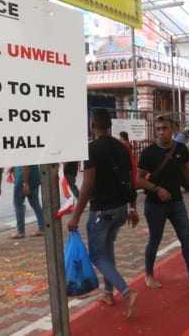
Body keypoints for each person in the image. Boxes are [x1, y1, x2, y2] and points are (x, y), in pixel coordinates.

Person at [67, 108, 140, 317]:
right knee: (107, 251)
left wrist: (76, 215)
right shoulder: (122, 147)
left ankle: (126, 292)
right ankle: (108, 293)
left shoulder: (91, 148)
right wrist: (132, 208)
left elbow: (88, 184)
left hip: (101, 211)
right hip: (120, 209)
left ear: (92, 125)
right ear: (110, 125)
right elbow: (130, 180)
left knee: (97, 255)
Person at [137, 114, 189, 291]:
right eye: (158, 129)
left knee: (186, 239)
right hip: (154, 204)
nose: (161, 132)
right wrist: (157, 189)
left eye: (165, 128)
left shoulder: (181, 149)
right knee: (154, 240)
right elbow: (139, 180)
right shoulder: (148, 153)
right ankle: (149, 274)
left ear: (173, 130)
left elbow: (188, 173)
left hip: (176, 203)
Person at [11, 165, 45, 239]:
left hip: (22, 179)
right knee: (35, 204)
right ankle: (42, 228)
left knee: (18, 204)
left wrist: (25, 183)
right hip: (34, 178)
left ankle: (20, 231)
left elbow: (25, 165)